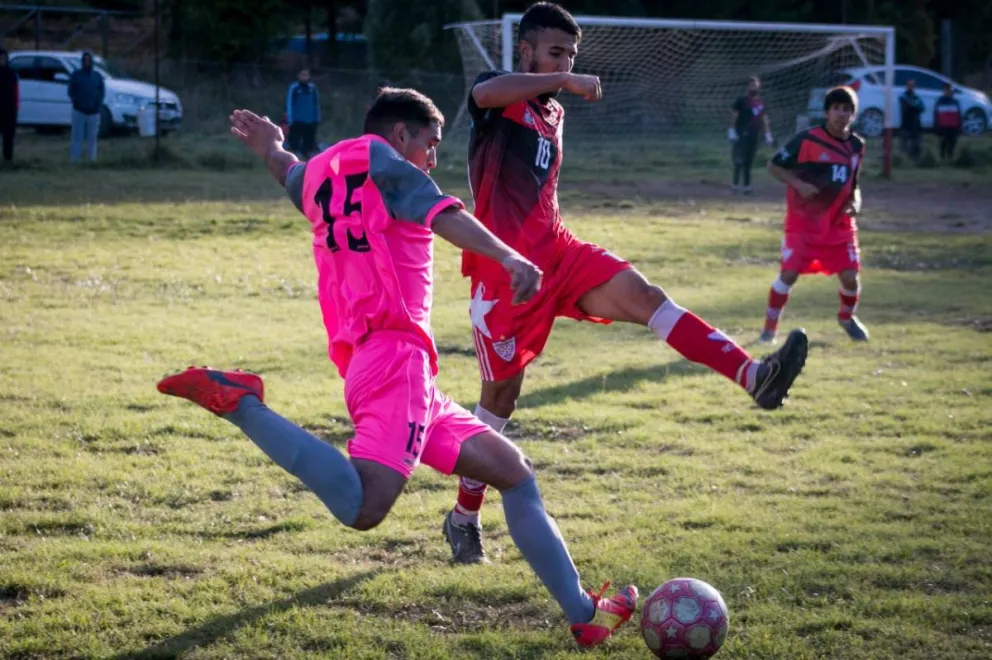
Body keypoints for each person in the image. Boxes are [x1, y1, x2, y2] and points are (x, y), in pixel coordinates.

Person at [156, 88, 639, 648]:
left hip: (386, 365)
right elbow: (445, 214)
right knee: (364, 507)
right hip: (396, 360)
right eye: (429, 145)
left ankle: (585, 615)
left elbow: (289, 173)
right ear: (401, 134)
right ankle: (244, 405)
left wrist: (272, 146)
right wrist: (508, 257)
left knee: (513, 472)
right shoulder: (385, 163)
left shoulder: (321, 174)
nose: (432, 160)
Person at [441, 1, 809, 565]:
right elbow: (484, 96)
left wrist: (558, 81)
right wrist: (562, 76)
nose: (565, 62)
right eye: (554, 51)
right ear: (526, 50)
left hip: (562, 253)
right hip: (506, 273)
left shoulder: (552, 116)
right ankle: (463, 517)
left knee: (648, 298)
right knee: (499, 402)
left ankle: (754, 375)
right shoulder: (499, 93)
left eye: (571, 53)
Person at [761, 86, 868, 344]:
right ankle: (769, 330)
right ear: (827, 112)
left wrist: (856, 203)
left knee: (850, 278)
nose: (841, 114)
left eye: (847, 110)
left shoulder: (856, 145)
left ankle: (846, 317)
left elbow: (854, 184)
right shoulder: (807, 140)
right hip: (803, 222)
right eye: (836, 109)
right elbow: (774, 166)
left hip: (838, 224)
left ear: (853, 115)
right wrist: (799, 185)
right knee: (789, 275)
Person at [729, 75, 774, 194]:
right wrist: (732, 131)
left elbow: (764, 119)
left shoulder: (762, 102)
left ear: (759, 86)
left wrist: (768, 134)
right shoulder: (741, 100)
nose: (753, 87)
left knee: (749, 160)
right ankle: (735, 184)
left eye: (755, 84)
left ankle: (747, 187)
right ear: (747, 86)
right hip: (741, 133)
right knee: (739, 159)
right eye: (751, 85)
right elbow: (734, 115)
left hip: (755, 135)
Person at [67, 51, 104, 163]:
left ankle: (91, 160)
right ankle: (75, 160)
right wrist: (76, 101)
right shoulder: (76, 75)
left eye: (89, 60)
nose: (87, 62)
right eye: (85, 60)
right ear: (82, 61)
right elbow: (70, 91)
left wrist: (98, 104)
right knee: (77, 137)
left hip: (93, 111)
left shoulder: (97, 76)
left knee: (92, 138)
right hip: (79, 110)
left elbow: (101, 91)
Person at [286, 69, 321, 158]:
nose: (304, 77)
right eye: (302, 75)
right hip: (297, 120)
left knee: (309, 141)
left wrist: (317, 118)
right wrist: (290, 119)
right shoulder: (294, 88)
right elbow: (289, 104)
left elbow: (316, 104)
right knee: (294, 141)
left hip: (310, 120)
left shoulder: (312, 88)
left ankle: (307, 157)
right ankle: (293, 157)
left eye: (306, 75)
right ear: (298, 76)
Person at [934, 83, 962, 162]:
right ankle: (942, 158)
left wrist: (959, 126)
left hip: (953, 127)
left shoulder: (956, 102)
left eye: (950, 90)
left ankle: (950, 158)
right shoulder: (940, 101)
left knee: (952, 143)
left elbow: (959, 115)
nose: (948, 92)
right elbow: (936, 115)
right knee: (943, 143)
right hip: (943, 126)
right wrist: (936, 125)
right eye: (946, 90)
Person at [0, 49, 18, 167]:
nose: (2, 61)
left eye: (4, 58)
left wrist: (16, 107)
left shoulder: (11, 74)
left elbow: (16, 92)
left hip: (9, 110)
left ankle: (8, 159)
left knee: (8, 137)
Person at [898, 78, 924, 161]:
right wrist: (914, 106)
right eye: (909, 85)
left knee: (916, 144)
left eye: (913, 85)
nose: (911, 87)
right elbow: (908, 106)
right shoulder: (903, 97)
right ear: (906, 86)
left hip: (916, 124)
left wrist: (914, 106)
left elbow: (922, 108)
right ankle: (903, 159)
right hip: (906, 124)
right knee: (904, 144)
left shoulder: (917, 97)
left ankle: (915, 159)